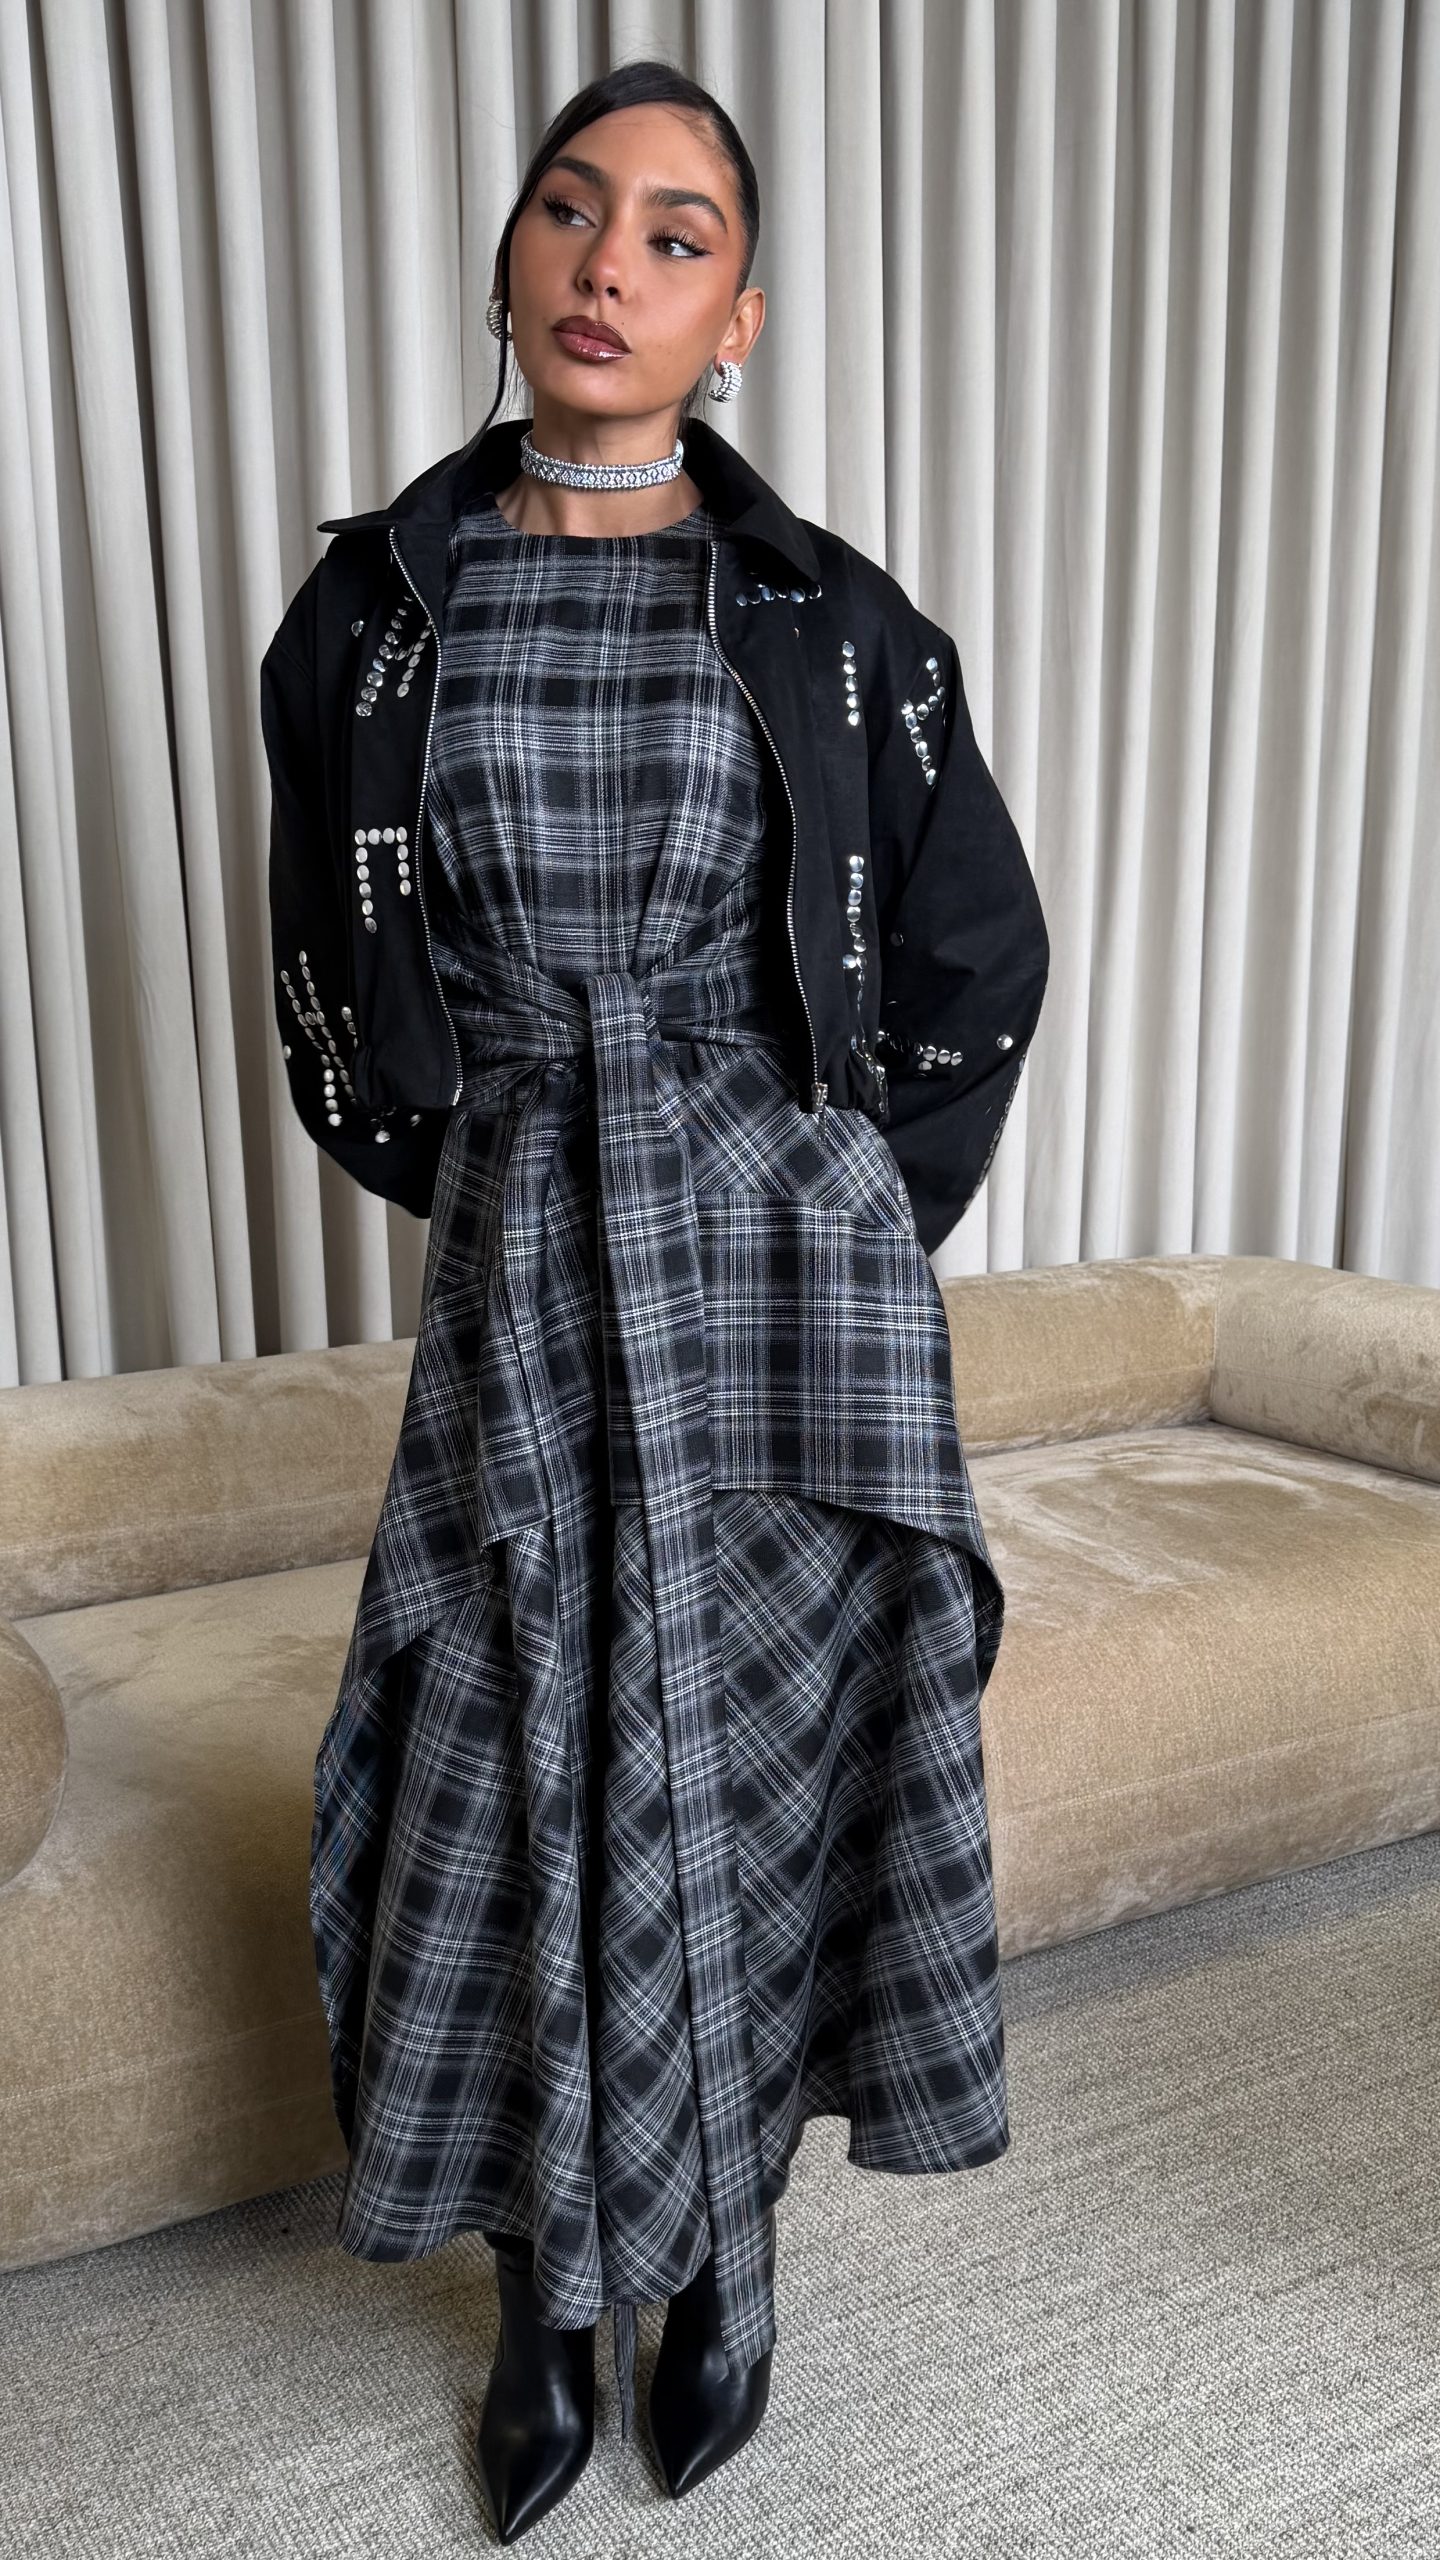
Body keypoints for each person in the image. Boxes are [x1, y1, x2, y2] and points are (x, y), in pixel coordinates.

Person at [261, 56, 1049, 2548]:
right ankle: (536, 2285)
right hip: (524, 1256)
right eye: (573, 210)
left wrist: (843, 1206)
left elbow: (976, 952)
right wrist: (505, 1169)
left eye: (678, 233)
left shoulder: (837, 620)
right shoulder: (366, 619)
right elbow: (331, 999)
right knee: (500, 1773)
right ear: (511, 257)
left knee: (761, 1764)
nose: (613, 262)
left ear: (739, 316)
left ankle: (724, 2249)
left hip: (785, 1282)